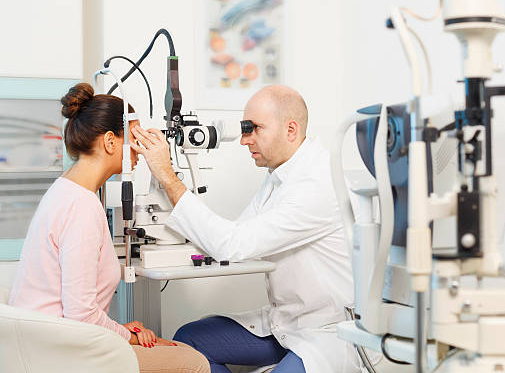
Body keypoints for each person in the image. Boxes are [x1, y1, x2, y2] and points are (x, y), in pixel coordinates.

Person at [130, 85, 359, 373]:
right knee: (189, 342)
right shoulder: (280, 176)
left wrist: (167, 177)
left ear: (291, 130)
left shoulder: (319, 184)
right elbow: (236, 235)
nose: (243, 140)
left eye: (254, 129)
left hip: (326, 333)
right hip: (285, 323)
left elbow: (232, 245)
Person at [9, 83, 210, 373]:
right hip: (59, 353)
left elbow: (79, 309)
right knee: (193, 362)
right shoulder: (81, 206)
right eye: (135, 137)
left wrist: (117, 329)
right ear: (110, 142)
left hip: (45, 341)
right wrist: (128, 337)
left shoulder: (65, 190)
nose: (140, 150)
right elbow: (80, 315)